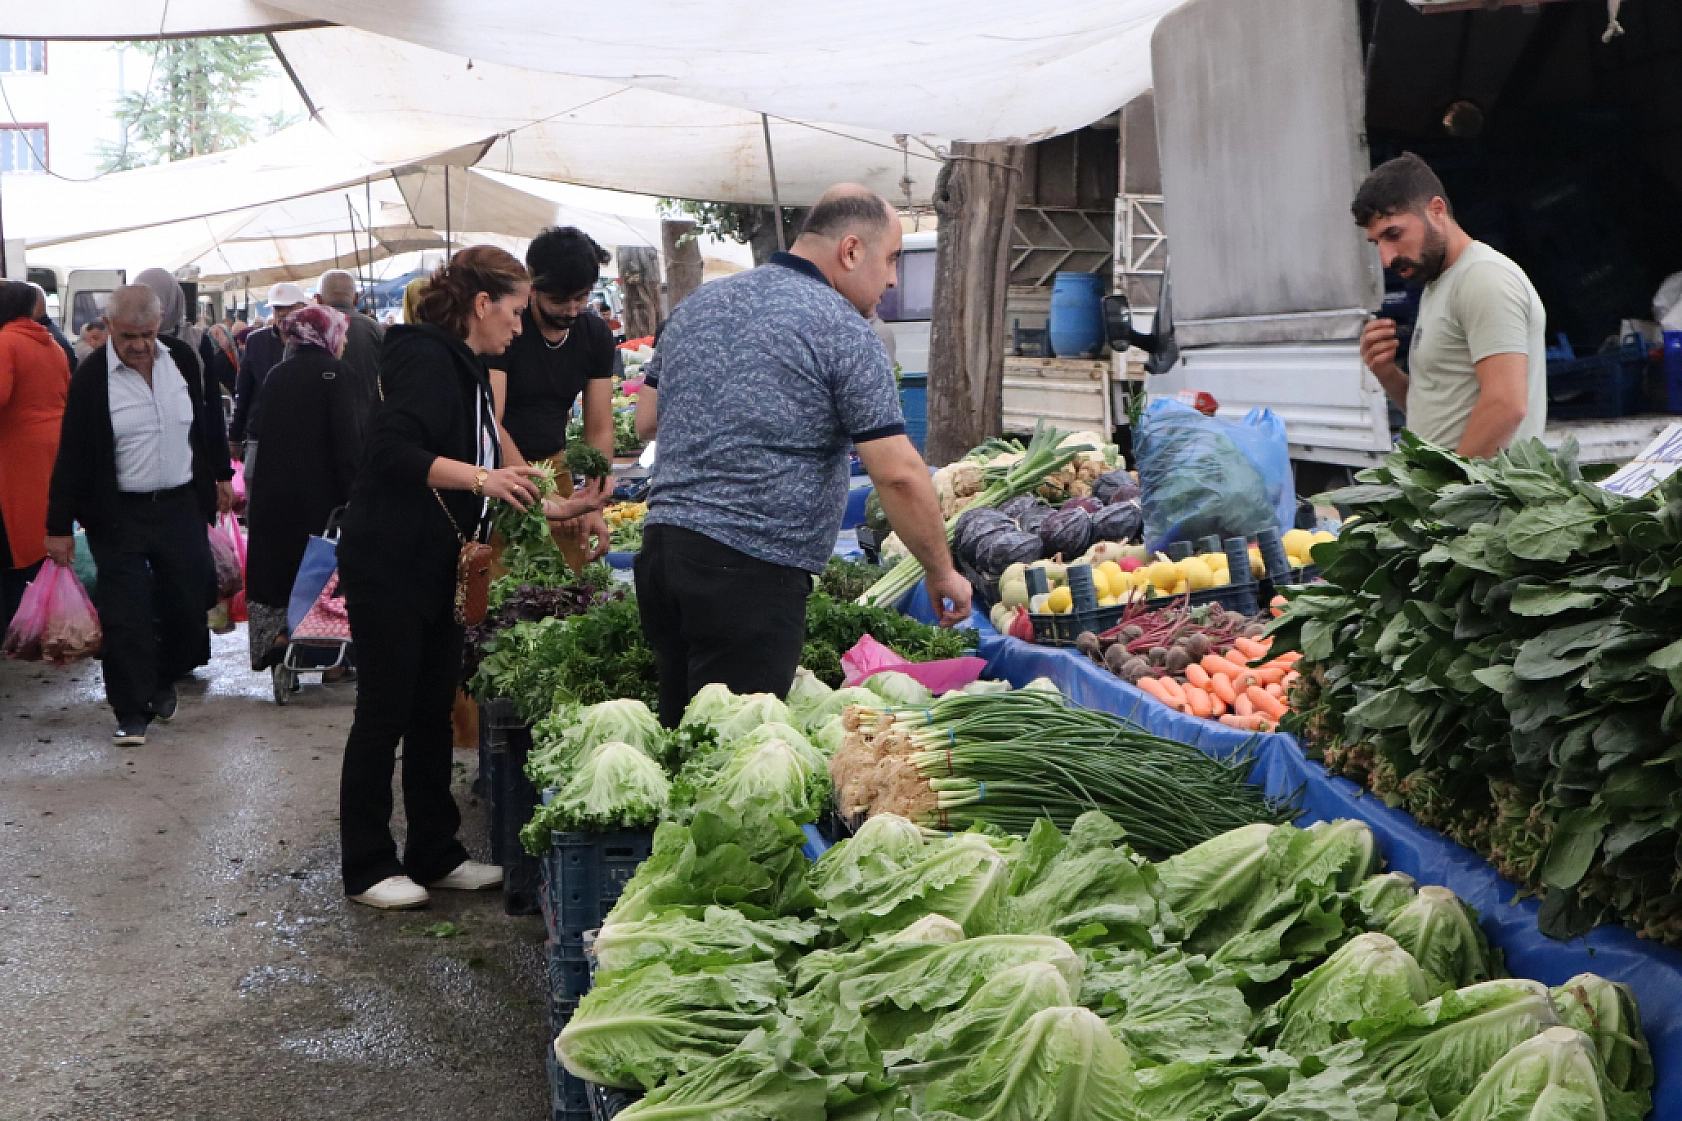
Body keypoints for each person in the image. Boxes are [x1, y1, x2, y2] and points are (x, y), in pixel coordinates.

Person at [633, 185, 971, 727]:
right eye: (890, 260)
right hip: (749, 572)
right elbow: (900, 475)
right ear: (851, 250)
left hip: (662, 556)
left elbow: (646, 418)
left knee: (682, 737)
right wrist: (941, 570)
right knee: (733, 756)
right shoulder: (843, 331)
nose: (891, 280)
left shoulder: (699, 304)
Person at [334, 246, 599, 910]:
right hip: (391, 558)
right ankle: (367, 864)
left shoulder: (468, 363)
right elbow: (394, 450)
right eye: (513, 311)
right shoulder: (424, 355)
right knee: (386, 711)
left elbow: (493, 443)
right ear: (483, 305)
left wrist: (548, 501)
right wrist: (484, 481)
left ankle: (436, 851)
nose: (519, 325)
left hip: (441, 560)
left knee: (432, 709)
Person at [43, 285, 234, 746]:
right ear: (109, 327)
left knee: (189, 604)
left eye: (147, 334)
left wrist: (221, 475)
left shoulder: (183, 360)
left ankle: (164, 677)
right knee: (126, 614)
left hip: (178, 506)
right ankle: (130, 710)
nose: (139, 345)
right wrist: (58, 526)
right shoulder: (92, 378)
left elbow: (206, 420)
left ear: (160, 325)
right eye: (129, 335)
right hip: (119, 514)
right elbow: (72, 453)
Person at [1354, 153, 1546, 458]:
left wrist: (1450, 496)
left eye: (1394, 234)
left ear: (1436, 210)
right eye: (1377, 243)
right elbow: (1441, 412)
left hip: (1483, 501)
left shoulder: (1483, 278)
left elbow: (1507, 405)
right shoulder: (1439, 282)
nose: (1387, 259)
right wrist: (1387, 372)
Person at [485, 227, 616, 567]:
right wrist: (544, 497)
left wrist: (593, 501)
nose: (572, 310)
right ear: (533, 286)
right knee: (500, 578)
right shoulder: (508, 328)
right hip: (498, 467)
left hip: (553, 464)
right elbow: (491, 422)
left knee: (567, 575)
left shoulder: (594, 334)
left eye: (582, 298)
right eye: (559, 300)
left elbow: (599, 427)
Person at [243, 305, 363, 673]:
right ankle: (332, 659)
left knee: (283, 572)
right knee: (324, 573)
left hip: (275, 495)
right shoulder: (338, 374)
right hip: (321, 498)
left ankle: (282, 642)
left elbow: (260, 431)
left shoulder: (278, 374)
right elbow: (347, 443)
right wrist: (356, 493)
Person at [0, 281, 71, 627]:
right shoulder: (52, 345)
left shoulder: (5, 343)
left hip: (14, 457)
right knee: (40, 534)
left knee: (13, 543)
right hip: (50, 452)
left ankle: (14, 624)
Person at [228, 282, 308, 481]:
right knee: (254, 488)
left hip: (301, 435)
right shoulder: (256, 341)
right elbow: (244, 390)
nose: (282, 313)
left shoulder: (312, 341)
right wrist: (235, 436)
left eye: (288, 307)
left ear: (302, 308)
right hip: (260, 434)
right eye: (278, 308)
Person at [314, 269, 384, 437]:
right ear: (356, 298)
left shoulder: (305, 330)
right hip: (367, 428)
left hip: (317, 430)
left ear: (318, 299)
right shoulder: (375, 330)